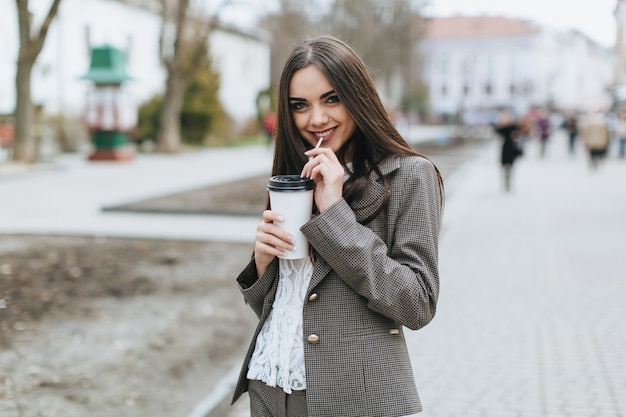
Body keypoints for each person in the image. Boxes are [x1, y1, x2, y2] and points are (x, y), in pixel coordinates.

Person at [231, 35, 444, 417]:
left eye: (332, 99)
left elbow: (417, 303)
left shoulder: (410, 175)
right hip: (268, 388)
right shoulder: (295, 178)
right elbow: (289, 305)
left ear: (358, 96)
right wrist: (263, 266)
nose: (316, 119)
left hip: (351, 398)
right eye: (300, 105)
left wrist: (334, 214)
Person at [493, 109, 522, 192]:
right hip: (504, 148)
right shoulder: (501, 127)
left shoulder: (513, 126)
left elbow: (518, 136)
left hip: (512, 148)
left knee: (510, 166)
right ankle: (505, 180)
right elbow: (497, 135)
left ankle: (508, 180)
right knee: (504, 166)